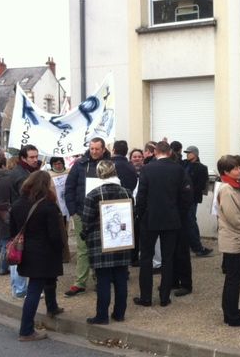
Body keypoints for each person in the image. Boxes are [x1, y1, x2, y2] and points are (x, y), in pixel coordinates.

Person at [134, 141, 192, 307]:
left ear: (156, 151)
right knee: (168, 258)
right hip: (172, 219)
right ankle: (164, 297)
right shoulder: (179, 169)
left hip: (149, 219)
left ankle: (146, 297)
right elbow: (186, 196)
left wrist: (141, 214)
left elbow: (141, 195)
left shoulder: (147, 169)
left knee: (146, 258)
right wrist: (178, 214)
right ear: (170, 152)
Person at [10, 171, 64, 341]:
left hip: (26, 250)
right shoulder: (48, 206)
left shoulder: (18, 204)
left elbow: (13, 230)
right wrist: (60, 249)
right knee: (34, 289)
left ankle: (52, 307)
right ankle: (26, 330)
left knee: (46, 280)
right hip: (44, 252)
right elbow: (55, 235)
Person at [80, 160, 133, 324]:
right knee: (121, 278)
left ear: (99, 174)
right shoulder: (127, 192)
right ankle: (119, 313)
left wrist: (84, 234)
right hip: (122, 239)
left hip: (100, 241)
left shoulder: (93, 194)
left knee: (103, 280)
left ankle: (102, 315)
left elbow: (86, 220)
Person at [64, 137, 111, 297]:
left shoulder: (109, 165)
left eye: (97, 149)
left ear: (103, 149)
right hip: (81, 212)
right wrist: (73, 211)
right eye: (92, 148)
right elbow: (69, 188)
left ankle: (99, 280)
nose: (94, 151)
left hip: (102, 213)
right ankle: (80, 282)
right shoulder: (80, 165)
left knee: (100, 249)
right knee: (83, 249)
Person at [216, 155, 240, 327]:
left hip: (235, 237)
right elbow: (234, 217)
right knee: (234, 278)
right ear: (226, 171)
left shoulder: (234, 186)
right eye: (236, 168)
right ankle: (232, 316)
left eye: (239, 168)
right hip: (233, 238)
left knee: (234, 278)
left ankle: (231, 313)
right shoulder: (227, 189)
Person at [9, 145, 40, 299]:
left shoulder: (25, 171)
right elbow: (29, 198)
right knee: (19, 252)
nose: (35, 160)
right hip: (22, 218)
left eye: (36, 156)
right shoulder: (22, 175)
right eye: (32, 157)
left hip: (19, 216)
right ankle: (20, 289)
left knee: (17, 251)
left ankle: (18, 288)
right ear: (23, 158)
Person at [182, 145, 212, 257]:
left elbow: (200, 185)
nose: (187, 155)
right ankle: (193, 246)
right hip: (183, 199)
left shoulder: (201, 168)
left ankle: (197, 247)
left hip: (191, 199)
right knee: (188, 222)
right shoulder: (184, 163)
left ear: (195, 154)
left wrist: (188, 190)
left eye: (189, 153)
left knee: (190, 222)